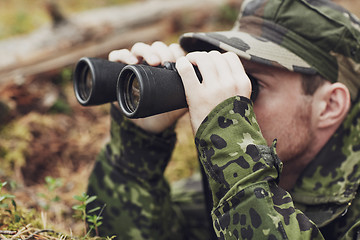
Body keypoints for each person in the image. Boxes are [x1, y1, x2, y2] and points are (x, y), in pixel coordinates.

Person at [86, 0, 360, 239]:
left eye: (251, 84)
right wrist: (136, 151)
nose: (229, 98)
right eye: (229, 74)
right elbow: (115, 229)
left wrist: (237, 164)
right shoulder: (234, 184)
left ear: (329, 106)